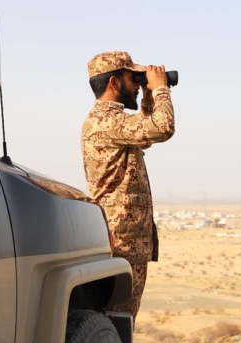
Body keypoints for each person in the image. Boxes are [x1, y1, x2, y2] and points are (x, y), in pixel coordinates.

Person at [81, 51, 175, 322]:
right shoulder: (107, 121)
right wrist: (159, 89)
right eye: (132, 78)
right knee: (116, 323)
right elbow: (163, 127)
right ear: (114, 83)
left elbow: (145, 136)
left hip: (126, 240)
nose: (137, 84)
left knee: (120, 321)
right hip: (121, 241)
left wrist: (146, 95)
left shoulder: (111, 122)